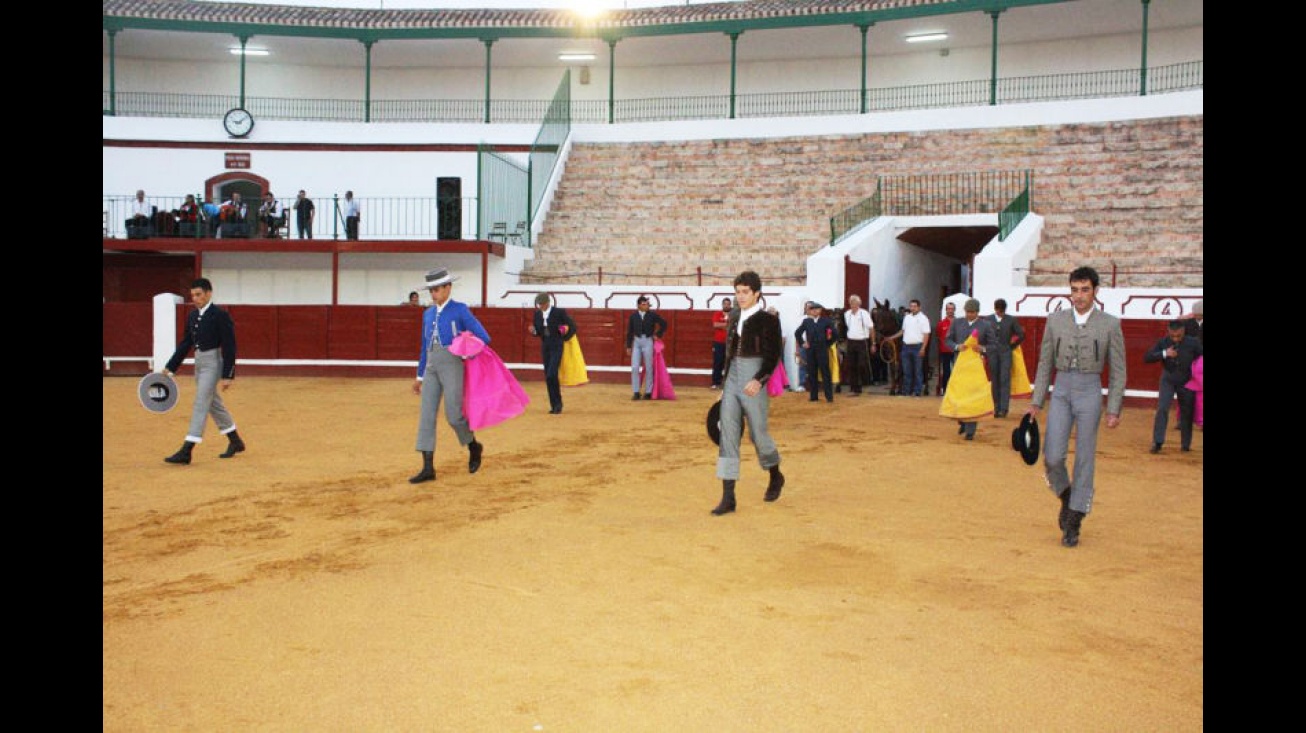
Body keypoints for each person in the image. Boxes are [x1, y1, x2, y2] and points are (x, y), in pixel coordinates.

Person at [1025, 265, 1127, 549]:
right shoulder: (1055, 320)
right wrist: (1037, 401)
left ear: (1095, 291)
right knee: (1053, 456)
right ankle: (1068, 496)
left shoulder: (1110, 323)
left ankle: (1074, 520)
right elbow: (1045, 362)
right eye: (1074, 290)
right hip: (1062, 389)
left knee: (1085, 455)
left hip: (1090, 390)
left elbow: (1118, 369)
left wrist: (1114, 407)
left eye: (1084, 290)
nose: (1078, 296)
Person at [711, 270, 785, 516]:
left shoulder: (769, 319)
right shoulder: (734, 316)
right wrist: (724, 388)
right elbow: (730, 355)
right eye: (737, 292)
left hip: (753, 378)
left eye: (745, 292)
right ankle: (728, 497)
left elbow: (773, 356)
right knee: (728, 435)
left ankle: (775, 475)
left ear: (757, 294)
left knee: (757, 434)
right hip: (733, 378)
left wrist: (760, 379)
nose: (740, 297)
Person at [409, 267, 490, 484]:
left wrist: (465, 345)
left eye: (437, 290)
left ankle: (473, 445)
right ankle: (428, 467)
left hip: (453, 363)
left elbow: (483, 337)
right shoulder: (427, 314)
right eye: (431, 291)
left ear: (448, 288)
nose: (433, 294)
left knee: (453, 415)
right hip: (432, 365)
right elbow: (425, 346)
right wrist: (420, 376)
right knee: (426, 414)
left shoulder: (460, 310)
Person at [161, 278, 245, 465]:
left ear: (209, 293)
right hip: (199, 363)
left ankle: (187, 449)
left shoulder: (220, 315)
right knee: (212, 402)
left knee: (201, 402)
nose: (195, 298)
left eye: (198, 294)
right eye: (193, 295)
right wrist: (171, 366)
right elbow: (186, 343)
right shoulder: (192, 316)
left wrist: (227, 374)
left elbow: (229, 346)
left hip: (213, 362)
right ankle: (235, 440)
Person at [1143, 319, 1202, 454]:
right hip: (1168, 379)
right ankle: (1157, 442)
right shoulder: (1163, 342)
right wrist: (1164, 353)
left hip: (1187, 380)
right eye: (1172, 335)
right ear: (1168, 332)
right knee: (1162, 408)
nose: (1175, 338)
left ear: (1183, 331)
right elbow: (1147, 357)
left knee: (1187, 412)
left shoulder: (1193, 343)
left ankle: (1185, 444)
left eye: (1178, 336)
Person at [944, 298, 997, 440]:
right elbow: (947, 340)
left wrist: (983, 348)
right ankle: (962, 420)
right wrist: (956, 346)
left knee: (972, 396)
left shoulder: (985, 325)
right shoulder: (957, 322)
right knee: (959, 394)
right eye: (967, 312)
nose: (969, 315)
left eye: (972, 312)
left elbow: (994, 345)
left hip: (976, 366)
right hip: (960, 365)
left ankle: (970, 430)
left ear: (977, 312)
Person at [530, 292, 578, 414]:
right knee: (548, 376)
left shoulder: (559, 312)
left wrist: (564, 333)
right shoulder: (537, 315)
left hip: (557, 345)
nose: (540, 306)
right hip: (545, 346)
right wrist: (534, 331)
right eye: (538, 304)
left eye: (541, 304)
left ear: (547, 303)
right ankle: (554, 405)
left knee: (551, 374)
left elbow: (571, 326)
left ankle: (558, 403)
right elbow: (538, 332)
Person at [986, 298, 1026, 418]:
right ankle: (996, 407)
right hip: (993, 352)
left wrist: (1012, 346)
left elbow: (1021, 334)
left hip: (1005, 352)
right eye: (999, 311)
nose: (1000, 313)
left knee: (1004, 380)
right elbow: (983, 336)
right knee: (995, 380)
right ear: (995, 309)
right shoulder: (988, 320)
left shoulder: (1011, 320)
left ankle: (1003, 409)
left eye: (1002, 311)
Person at [625, 295, 668, 400]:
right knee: (635, 367)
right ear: (639, 305)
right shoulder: (633, 316)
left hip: (648, 341)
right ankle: (636, 392)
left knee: (649, 367)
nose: (647, 306)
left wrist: (658, 334)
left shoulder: (652, 315)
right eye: (644, 304)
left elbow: (664, 324)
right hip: (637, 341)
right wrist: (629, 346)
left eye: (647, 304)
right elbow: (630, 332)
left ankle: (648, 392)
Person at [797, 301, 834, 402]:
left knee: (825, 372)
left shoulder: (826, 321)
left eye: (816, 309)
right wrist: (803, 343)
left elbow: (834, 334)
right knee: (812, 373)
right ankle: (814, 396)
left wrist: (827, 344)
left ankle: (829, 396)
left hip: (822, 350)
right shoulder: (806, 321)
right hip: (811, 350)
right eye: (812, 309)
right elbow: (797, 333)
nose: (814, 311)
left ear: (820, 310)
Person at [896, 299, 931, 397]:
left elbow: (926, 334)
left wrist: (923, 348)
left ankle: (917, 391)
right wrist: (891, 337)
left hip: (917, 346)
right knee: (907, 370)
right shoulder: (907, 317)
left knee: (917, 370)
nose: (912, 308)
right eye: (911, 306)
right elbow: (903, 331)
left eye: (914, 306)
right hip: (906, 346)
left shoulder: (923, 318)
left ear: (919, 307)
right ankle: (907, 391)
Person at [842, 296, 874, 396]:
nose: (853, 305)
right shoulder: (847, 314)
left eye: (855, 303)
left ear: (859, 304)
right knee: (851, 365)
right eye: (851, 303)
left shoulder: (864, 313)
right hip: (851, 341)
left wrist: (873, 343)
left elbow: (871, 328)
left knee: (861, 364)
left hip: (862, 341)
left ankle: (861, 384)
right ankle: (853, 387)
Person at [710, 297, 732, 389]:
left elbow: (735, 325)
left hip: (730, 342)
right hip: (719, 342)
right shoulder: (717, 314)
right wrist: (727, 325)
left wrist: (722, 325)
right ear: (722, 305)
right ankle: (715, 382)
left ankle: (728, 384)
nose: (726, 305)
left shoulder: (733, 314)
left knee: (729, 363)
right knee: (718, 362)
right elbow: (715, 325)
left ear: (730, 305)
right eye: (725, 304)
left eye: (728, 304)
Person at [937, 301, 956, 396]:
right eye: (948, 309)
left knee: (957, 371)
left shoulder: (959, 322)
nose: (950, 311)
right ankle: (945, 390)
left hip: (957, 350)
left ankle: (957, 391)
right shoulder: (941, 323)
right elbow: (939, 337)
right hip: (945, 351)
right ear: (946, 310)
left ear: (954, 310)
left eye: (952, 309)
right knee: (946, 371)